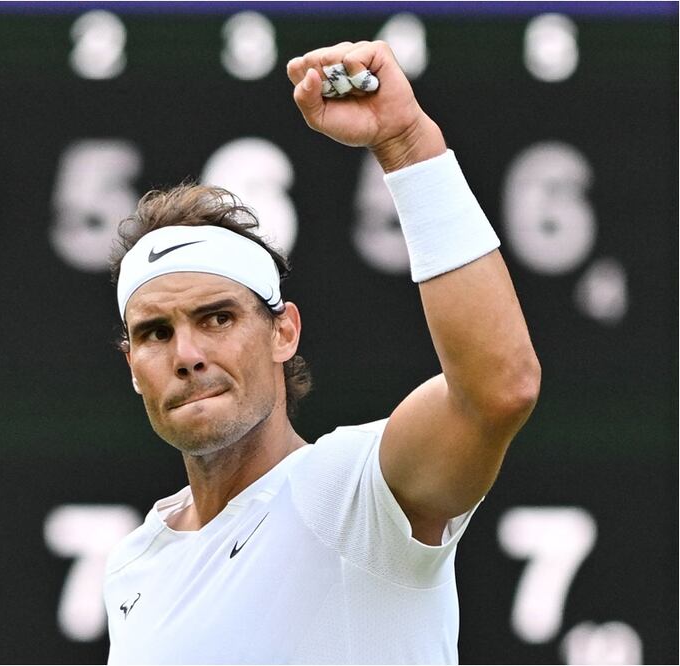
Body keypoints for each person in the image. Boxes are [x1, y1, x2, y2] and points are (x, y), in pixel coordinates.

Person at [101, 40, 541, 664]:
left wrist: (409, 144)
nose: (188, 353)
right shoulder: (135, 563)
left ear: (284, 331)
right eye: (156, 332)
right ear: (132, 366)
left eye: (217, 318)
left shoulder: (351, 494)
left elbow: (500, 388)